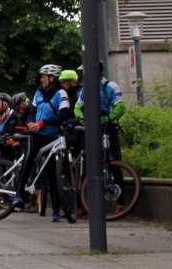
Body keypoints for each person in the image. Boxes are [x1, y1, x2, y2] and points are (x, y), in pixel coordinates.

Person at [13, 64, 72, 222]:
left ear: (51, 78)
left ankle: (56, 209)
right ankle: (19, 194)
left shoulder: (61, 93)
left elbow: (63, 116)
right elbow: (32, 111)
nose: (41, 80)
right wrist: (30, 123)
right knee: (28, 158)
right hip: (36, 134)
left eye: (43, 77)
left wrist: (43, 123)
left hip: (51, 136)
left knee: (52, 173)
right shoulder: (39, 91)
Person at [75, 62, 127, 214]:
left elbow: (121, 108)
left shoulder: (111, 86)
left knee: (115, 165)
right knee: (87, 166)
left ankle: (121, 204)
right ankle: (84, 205)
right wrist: (82, 119)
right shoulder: (85, 89)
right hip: (92, 130)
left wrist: (105, 120)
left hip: (109, 129)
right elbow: (78, 107)